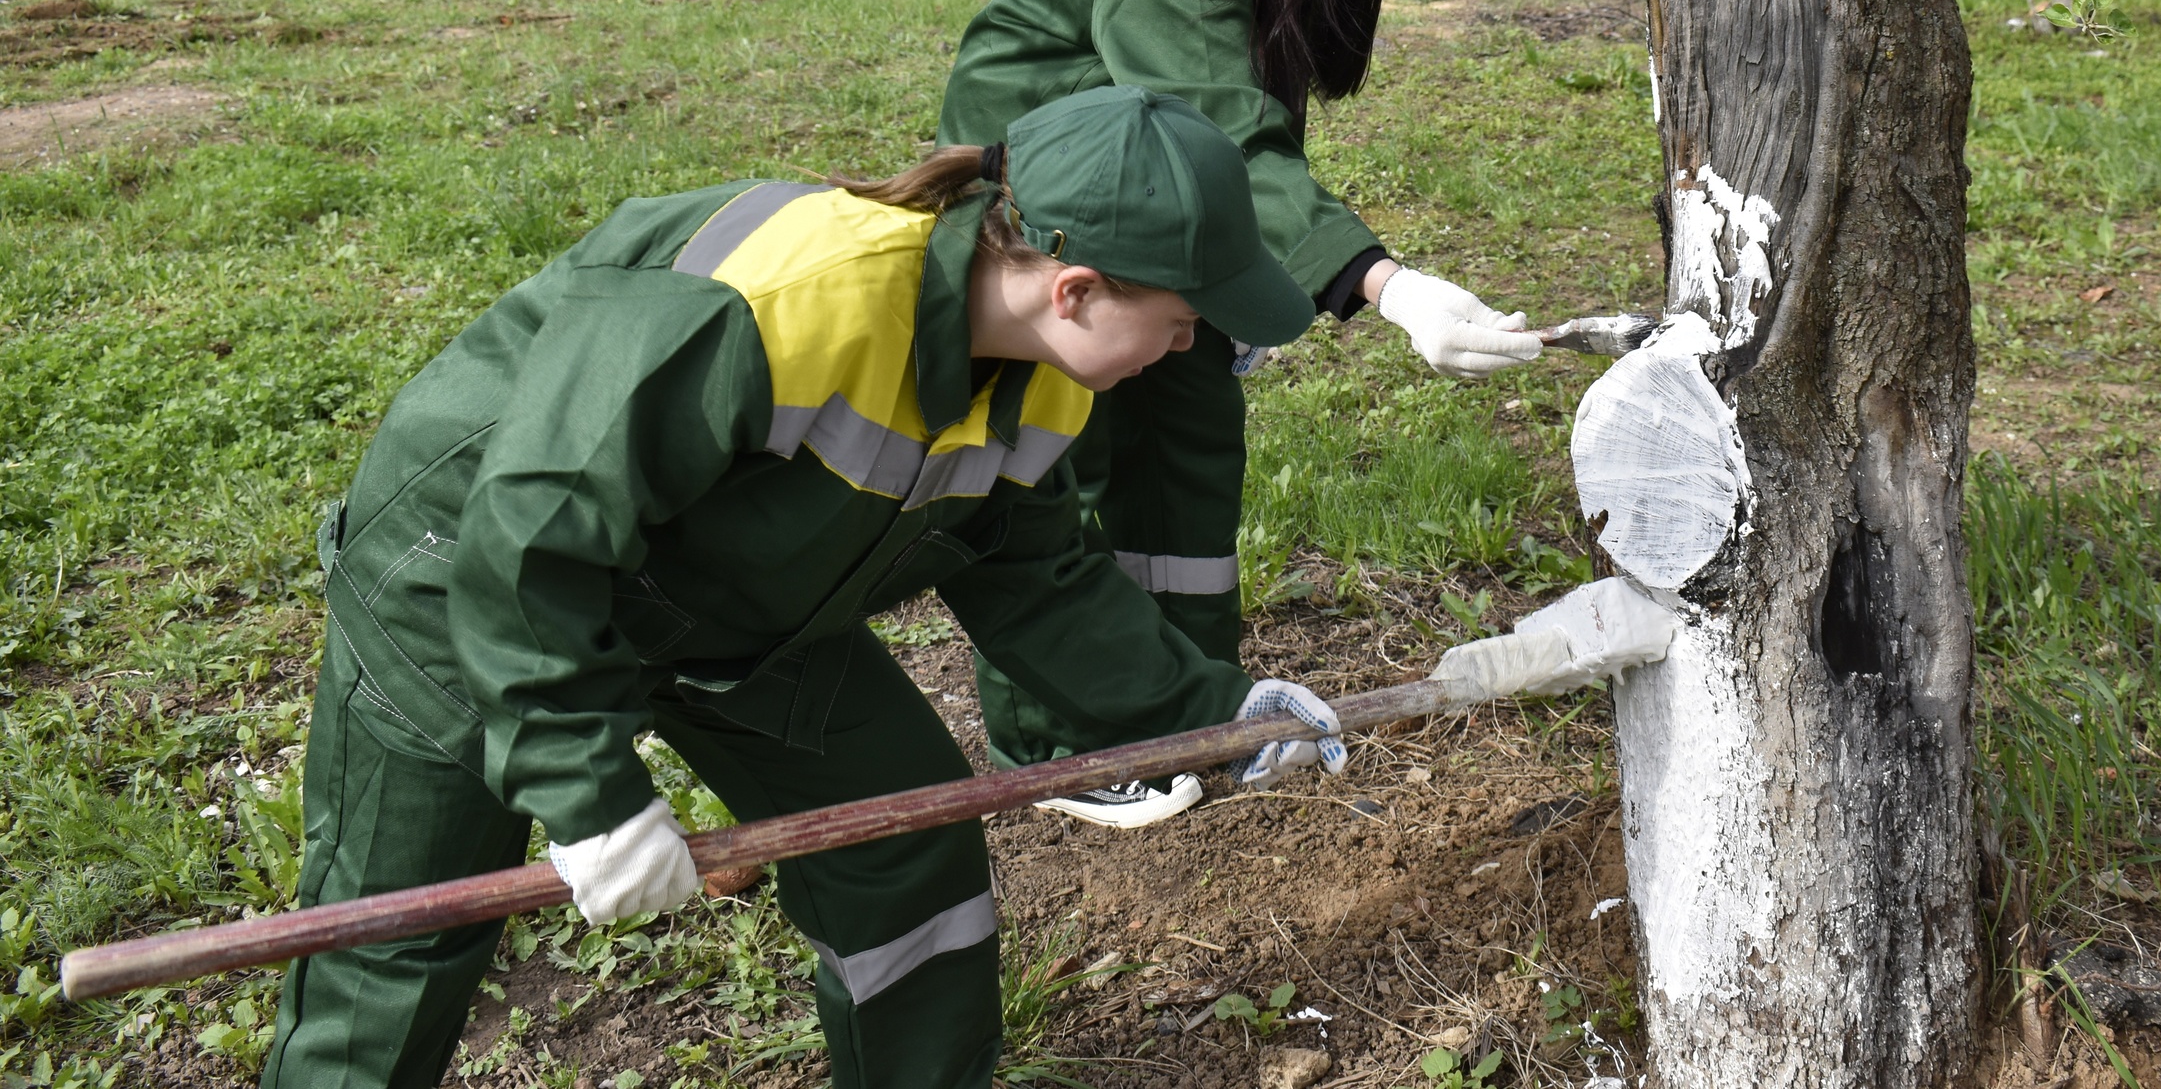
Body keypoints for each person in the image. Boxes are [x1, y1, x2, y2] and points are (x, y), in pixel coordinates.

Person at [260, 85, 1351, 1089]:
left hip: (737, 609)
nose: (1192, 341)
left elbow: (1038, 583)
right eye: (1182, 316)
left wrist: (1211, 715)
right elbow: (529, 540)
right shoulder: (777, 304)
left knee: (898, 846)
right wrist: (587, 799)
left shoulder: (1046, 381)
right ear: (1073, 290)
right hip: (468, 585)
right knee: (397, 940)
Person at [938, 0, 1545, 827]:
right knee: (1065, 441)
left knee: (1189, 421)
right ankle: (1057, 749)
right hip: (1058, 174)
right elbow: (1215, 101)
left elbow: (1240, 98)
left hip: (1158, 159)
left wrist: (1245, 273)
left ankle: (1187, 709)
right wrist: (1376, 281)